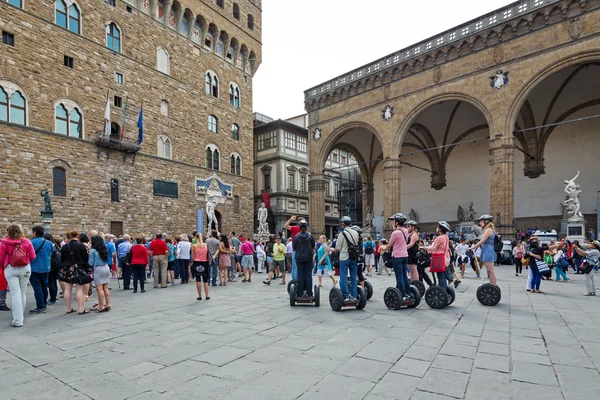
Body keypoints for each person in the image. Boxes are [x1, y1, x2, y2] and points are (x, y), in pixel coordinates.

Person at [0, 224, 36, 327]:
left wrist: (3, 267)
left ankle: (17, 320)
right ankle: (20, 318)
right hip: (25, 268)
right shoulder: (27, 242)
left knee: (15, 293)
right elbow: (33, 256)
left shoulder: (4, 243)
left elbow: (1, 258)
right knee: (22, 292)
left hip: (10, 269)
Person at [59, 230, 90, 315]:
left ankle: (68, 308)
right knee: (79, 288)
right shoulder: (81, 246)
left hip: (67, 268)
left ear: (68, 237)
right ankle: (81, 308)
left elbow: (62, 259)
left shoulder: (65, 247)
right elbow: (86, 259)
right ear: (77, 236)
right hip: (78, 268)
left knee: (68, 288)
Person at [382, 213, 411, 299]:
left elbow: (389, 245)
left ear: (397, 222)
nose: (393, 222)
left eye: (394, 221)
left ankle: (402, 295)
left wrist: (384, 248)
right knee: (404, 275)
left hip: (397, 256)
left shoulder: (395, 233)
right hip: (405, 255)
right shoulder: (406, 231)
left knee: (399, 277)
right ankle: (408, 293)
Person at [420, 221, 451, 289]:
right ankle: (444, 290)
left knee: (440, 276)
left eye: (438, 227)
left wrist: (422, 247)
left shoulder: (439, 238)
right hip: (445, 258)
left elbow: (432, 248)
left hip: (439, 258)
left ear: (440, 229)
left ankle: (443, 291)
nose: (436, 229)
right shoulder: (446, 237)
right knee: (443, 276)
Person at [29, 226, 53, 314]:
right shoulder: (49, 243)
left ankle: (40, 306)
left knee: (37, 288)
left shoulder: (30, 242)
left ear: (34, 232)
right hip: (45, 267)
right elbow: (51, 252)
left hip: (34, 267)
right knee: (44, 287)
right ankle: (44, 303)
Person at [470, 215, 498, 286]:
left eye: (481, 221)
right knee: (490, 271)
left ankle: (493, 286)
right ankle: (493, 285)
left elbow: (482, 241)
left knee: (490, 271)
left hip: (488, 251)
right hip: (487, 250)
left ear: (486, 221)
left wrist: (473, 247)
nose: (480, 223)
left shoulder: (488, 230)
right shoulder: (488, 229)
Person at [337, 216, 360, 302]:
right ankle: (354, 295)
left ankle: (346, 296)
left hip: (344, 257)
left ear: (343, 224)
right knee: (353, 277)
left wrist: (332, 250)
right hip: (353, 257)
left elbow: (338, 248)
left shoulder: (341, 234)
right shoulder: (356, 233)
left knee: (343, 276)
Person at [292, 219, 315, 298]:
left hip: (299, 258)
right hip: (308, 258)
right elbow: (313, 246)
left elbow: (294, 247)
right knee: (308, 275)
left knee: (300, 275)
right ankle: (309, 293)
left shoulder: (296, 237)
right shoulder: (310, 236)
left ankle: (299, 293)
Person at [88, 234, 111, 311]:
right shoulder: (104, 249)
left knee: (99, 289)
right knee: (106, 288)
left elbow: (90, 263)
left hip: (98, 269)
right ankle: (108, 304)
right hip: (106, 267)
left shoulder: (93, 251)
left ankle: (101, 306)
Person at [190, 233, 210, 300]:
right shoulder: (206, 245)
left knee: (198, 279)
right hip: (205, 262)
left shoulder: (194, 246)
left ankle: (200, 295)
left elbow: (193, 257)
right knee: (205, 280)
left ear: (196, 238)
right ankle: (207, 295)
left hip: (197, 262)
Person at [284, 216, 301, 280]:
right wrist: (290, 219)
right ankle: (297, 280)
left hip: (296, 250)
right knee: (297, 266)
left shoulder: (297, 229)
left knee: (295, 266)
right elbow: (286, 226)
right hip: (299, 250)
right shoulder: (296, 228)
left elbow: (286, 226)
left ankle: (295, 280)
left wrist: (290, 219)